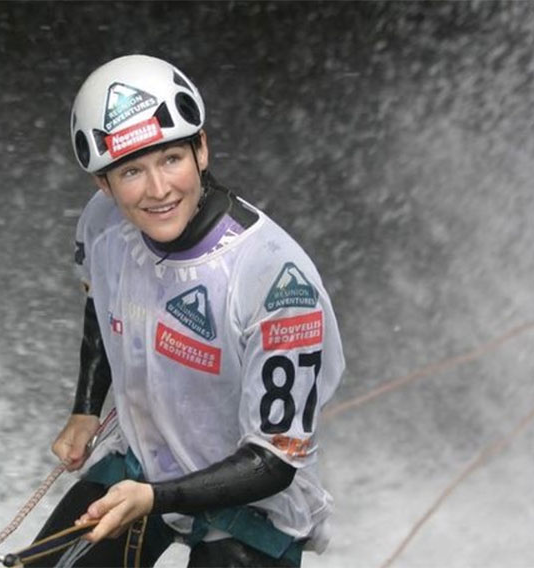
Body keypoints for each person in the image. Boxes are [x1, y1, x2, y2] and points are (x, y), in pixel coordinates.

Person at [29, 54, 345, 568]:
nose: (158, 190)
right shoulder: (103, 224)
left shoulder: (275, 280)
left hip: (253, 503)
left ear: (201, 148)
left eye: (171, 159)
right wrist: (86, 409)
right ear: (102, 184)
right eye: (132, 171)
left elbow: (273, 463)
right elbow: (101, 302)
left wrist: (154, 498)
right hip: (142, 463)